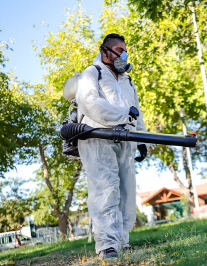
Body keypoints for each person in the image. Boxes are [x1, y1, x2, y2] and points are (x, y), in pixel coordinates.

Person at [75, 33, 147, 259]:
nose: (122, 54)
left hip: (125, 139)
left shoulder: (127, 80)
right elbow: (90, 104)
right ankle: (107, 244)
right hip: (98, 138)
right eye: (118, 50)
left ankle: (122, 240)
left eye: (124, 50)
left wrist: (143, 138)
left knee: (126, 189)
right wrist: (123, 115)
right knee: (105, 188)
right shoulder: (92, 73)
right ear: (105, 51)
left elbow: (136, 110)